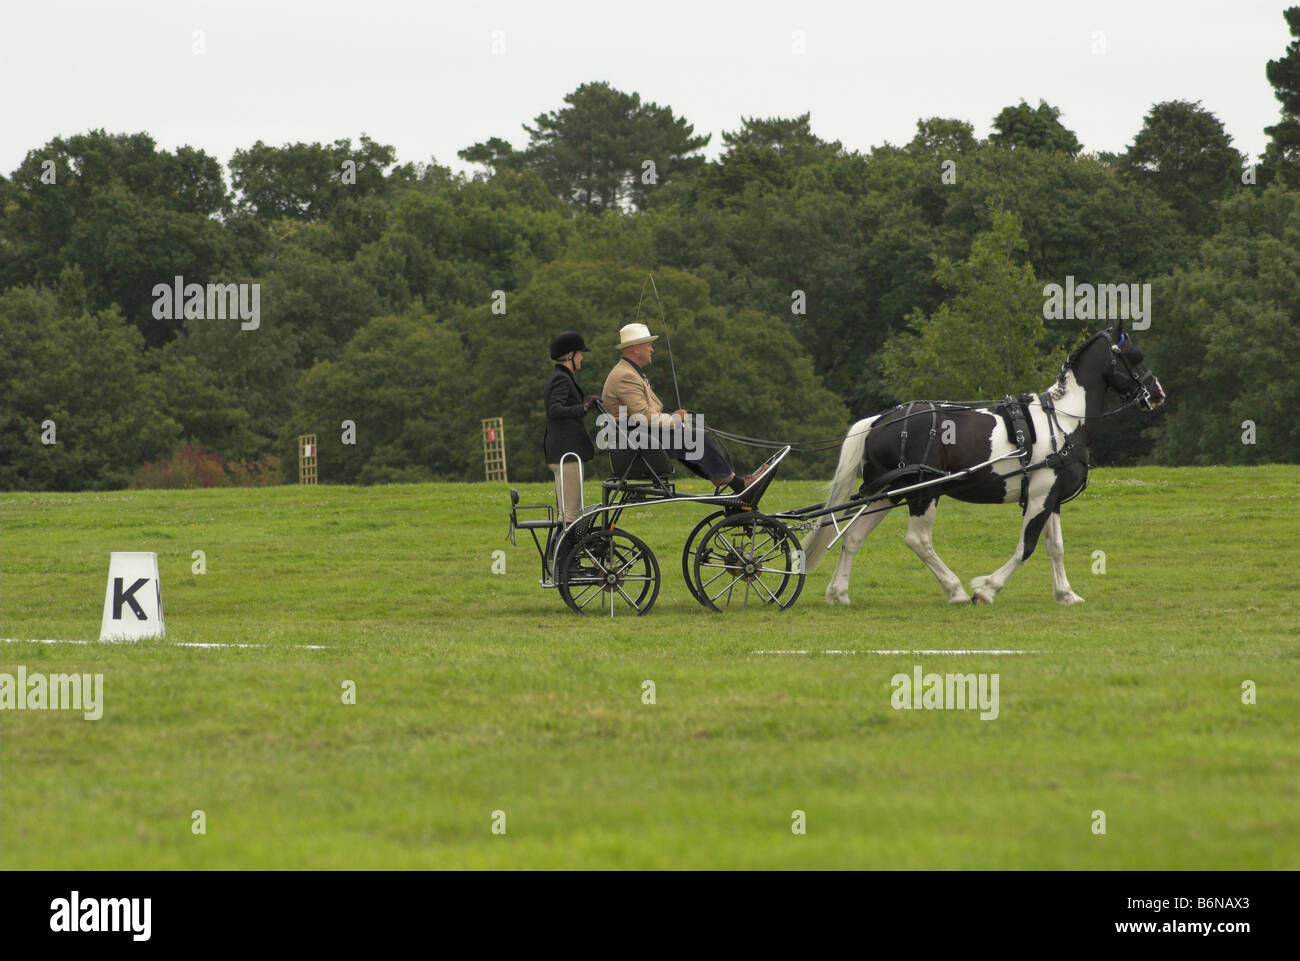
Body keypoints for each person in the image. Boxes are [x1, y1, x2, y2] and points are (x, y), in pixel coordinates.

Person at [600, 322, 768, 494]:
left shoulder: (629, 372)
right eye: (649, 345)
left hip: (638, 435)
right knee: (696, 437)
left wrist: (674, 419)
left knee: (693, 437)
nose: (652, 350)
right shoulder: (626, 375)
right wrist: (674, 420)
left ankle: (730, 481)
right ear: (636, 348)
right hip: (636, 441)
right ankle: (738, 485)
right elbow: (643, 415)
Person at [543, 330, 601, 524]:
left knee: (568, 513)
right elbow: (555, 409)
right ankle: (564, 554)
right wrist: (584, 407)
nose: (582, 357)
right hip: (566, 452)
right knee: (570, 514)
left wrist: (582, 406)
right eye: (580, 353)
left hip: (562, 450)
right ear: (570, 355)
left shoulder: (562, 376)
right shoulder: (561, 378)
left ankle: (563, 553)